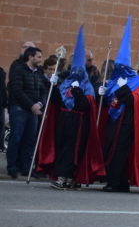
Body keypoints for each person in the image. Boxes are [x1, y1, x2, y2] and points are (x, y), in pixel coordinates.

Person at [37, 27, 105, 189]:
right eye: (74, 70)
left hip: (79, 123)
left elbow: (86, 105)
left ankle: (66, 177)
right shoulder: (64, 82)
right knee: (62, 148)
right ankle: (63, 175)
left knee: (73, 151)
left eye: (79, 70)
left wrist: (77, 92)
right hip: (63, 120)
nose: (76, 73)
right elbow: (56, 102)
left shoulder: (87, 86)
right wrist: (51, 85)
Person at [99, 16, 139, 192]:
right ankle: (114, 180)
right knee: (112, 151)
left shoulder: (136, 82)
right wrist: (102, 93)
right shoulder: (114, 79)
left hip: (127, 124)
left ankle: (117, 182)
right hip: (114, 122)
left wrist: (122, 89)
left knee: (121, 154)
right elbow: (109, 101)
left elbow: (135, 102)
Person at [6, 46, 45, 179]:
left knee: (30, 140)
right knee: (16, 137)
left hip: (33, 109)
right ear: (30, 57)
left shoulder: (39, 71)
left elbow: (43, 90)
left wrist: (40, 103)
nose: (40, 60)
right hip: (19, 108)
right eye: (38, 57)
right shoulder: (19, 70)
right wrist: (31, 105)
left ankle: (26, 167)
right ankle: (12, 166)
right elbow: (17, 90)